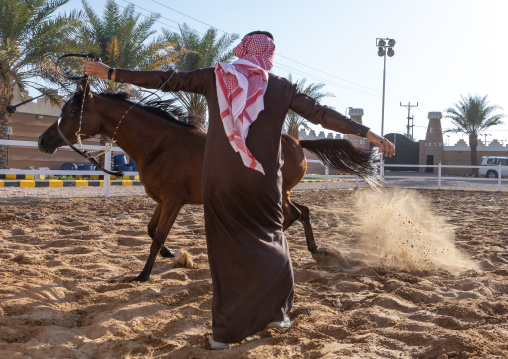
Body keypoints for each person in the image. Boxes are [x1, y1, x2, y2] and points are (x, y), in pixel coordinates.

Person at [85, 31, 395, 349]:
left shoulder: (216, 77)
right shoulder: (281, 88)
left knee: (226, 254)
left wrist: (111, 73)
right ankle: (277, 314)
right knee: (273, 243)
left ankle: (224, 335)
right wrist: (366, 133)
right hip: (263, 181)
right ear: (269, 55)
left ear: (243, 49)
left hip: (220, 180)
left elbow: (168, 79)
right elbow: (321, 114)